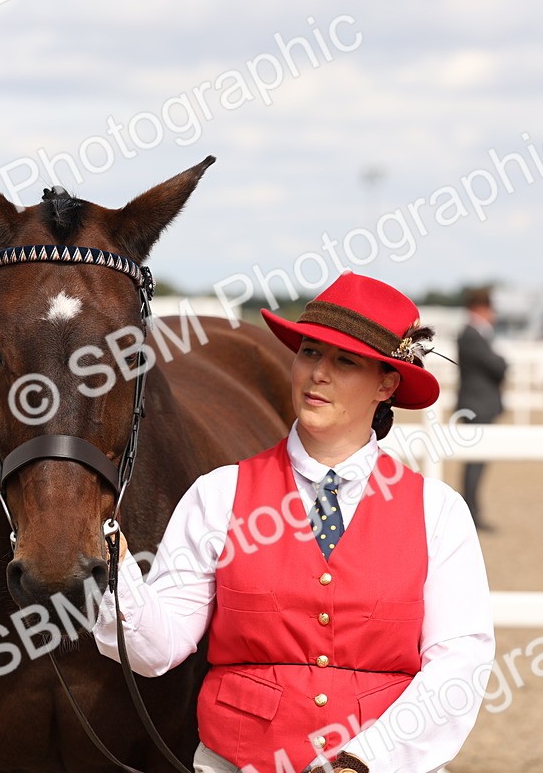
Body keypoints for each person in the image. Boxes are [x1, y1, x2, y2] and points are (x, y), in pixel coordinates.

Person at [94, 272, 494, 773]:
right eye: (309, 352)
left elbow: (459, 663)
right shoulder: (218, 495)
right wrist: (116, 568)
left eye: (344, 361)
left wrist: (361, 761)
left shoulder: (439, 513)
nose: (317, 374)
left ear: (387, 383)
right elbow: (157, 648)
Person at [455, 288, 507, 532]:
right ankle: (471, 514)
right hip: (477, 405)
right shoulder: (472, 335)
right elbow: (497, 365)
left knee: (477, 462)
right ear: (480, 308)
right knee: (475, 463)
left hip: (478, 404)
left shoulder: (475, 335)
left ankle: (473, 512)